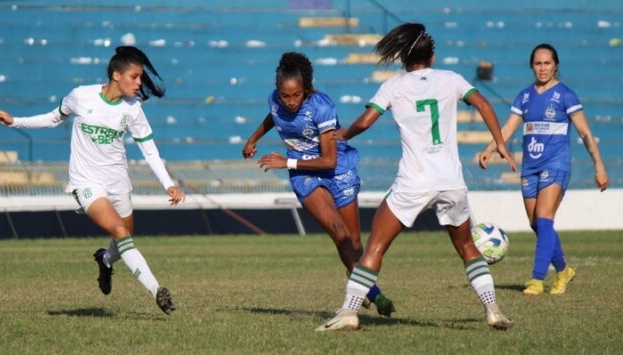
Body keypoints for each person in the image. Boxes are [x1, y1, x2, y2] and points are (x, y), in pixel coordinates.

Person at [316, 23, 517, 332]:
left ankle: (348, 312)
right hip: (451, 181)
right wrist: (500, 143)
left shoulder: (394, 86)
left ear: (402, 59)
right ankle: (492, 310)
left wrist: (345, 133)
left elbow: (367, 120)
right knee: (467, 247)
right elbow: (483, 103)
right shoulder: (451, 79)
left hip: (414, 182)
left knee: (375, 248)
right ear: (432, 57)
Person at [0, 46, 184, 315]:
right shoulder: (81, 96)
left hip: (118, 183)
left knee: (122, 238)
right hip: (86, 182)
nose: (139, 83)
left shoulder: (133, 109)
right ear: (116, 75)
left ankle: (105, 259)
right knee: (122, 233)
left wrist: (168, 184)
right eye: (135, 77)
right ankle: (157, 290)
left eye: (140, 78)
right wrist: (14, 121)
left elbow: (149, 149)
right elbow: (54, 118)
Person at [242, 51, 394, 317]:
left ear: (306, 89)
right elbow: (274, 116)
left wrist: (286, 163)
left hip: (336, 168)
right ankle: (374, 294)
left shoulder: (321, 107)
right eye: (285, 95)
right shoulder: (276, 100)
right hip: (304, 175)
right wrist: (253, 139)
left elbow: (328, 161)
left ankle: (355, 275)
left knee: (355, 242)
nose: (290, 101)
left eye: (296, 95)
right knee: (339, 234)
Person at [478, 43, 609, 296]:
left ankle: (537, 279)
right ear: (532, 66)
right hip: (530, 167)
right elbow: (507, 129)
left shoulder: (566, 95)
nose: (542, 68)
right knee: (537, 224)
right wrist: (490, 147)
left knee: (545, 219)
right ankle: (563, 271)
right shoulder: (524, 96)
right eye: (538, 63)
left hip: (556, 164)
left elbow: (584, 132)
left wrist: (599, 166)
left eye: (547, 63)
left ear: (555, 65)